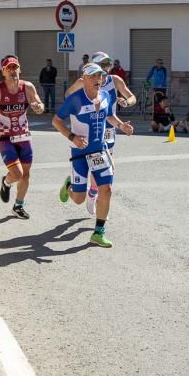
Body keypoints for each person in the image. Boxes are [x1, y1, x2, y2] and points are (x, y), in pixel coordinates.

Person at [52, 63, 134, 248]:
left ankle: (98, 232)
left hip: (100, 151)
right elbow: (56, 120)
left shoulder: (104, 96)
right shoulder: (75, 99)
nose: (99, 79)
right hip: (80, 153)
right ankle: (69, 187)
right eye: (95, 76)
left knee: (106, 190)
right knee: (79, 199)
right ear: (85, 78)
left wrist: (121, 126)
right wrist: (71, 136)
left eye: (101, 76)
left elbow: (109, 116)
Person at [65, 51, 136, 215]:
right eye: (103, 65)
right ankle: (78, 189)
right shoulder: (84, 81)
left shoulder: (115, 80)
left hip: (109, 129)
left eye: (108, 65)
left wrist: (126, 102)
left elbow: (131, 96)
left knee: (103, 169)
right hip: (89, 130)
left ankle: (92, 194)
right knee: (95, 167)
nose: (107, 68)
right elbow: (68, 95)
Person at [0, 55, 44, 219]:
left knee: (26, 174)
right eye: (9, 68)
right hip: (5, 137)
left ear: (20, 69)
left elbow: (40, 105)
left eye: (15, 67)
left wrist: (38, 107)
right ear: (3, 71)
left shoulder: (27, 87)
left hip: (24, 135)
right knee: (17, 174)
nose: (12, 71)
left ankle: (18, 206)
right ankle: (6, 182)